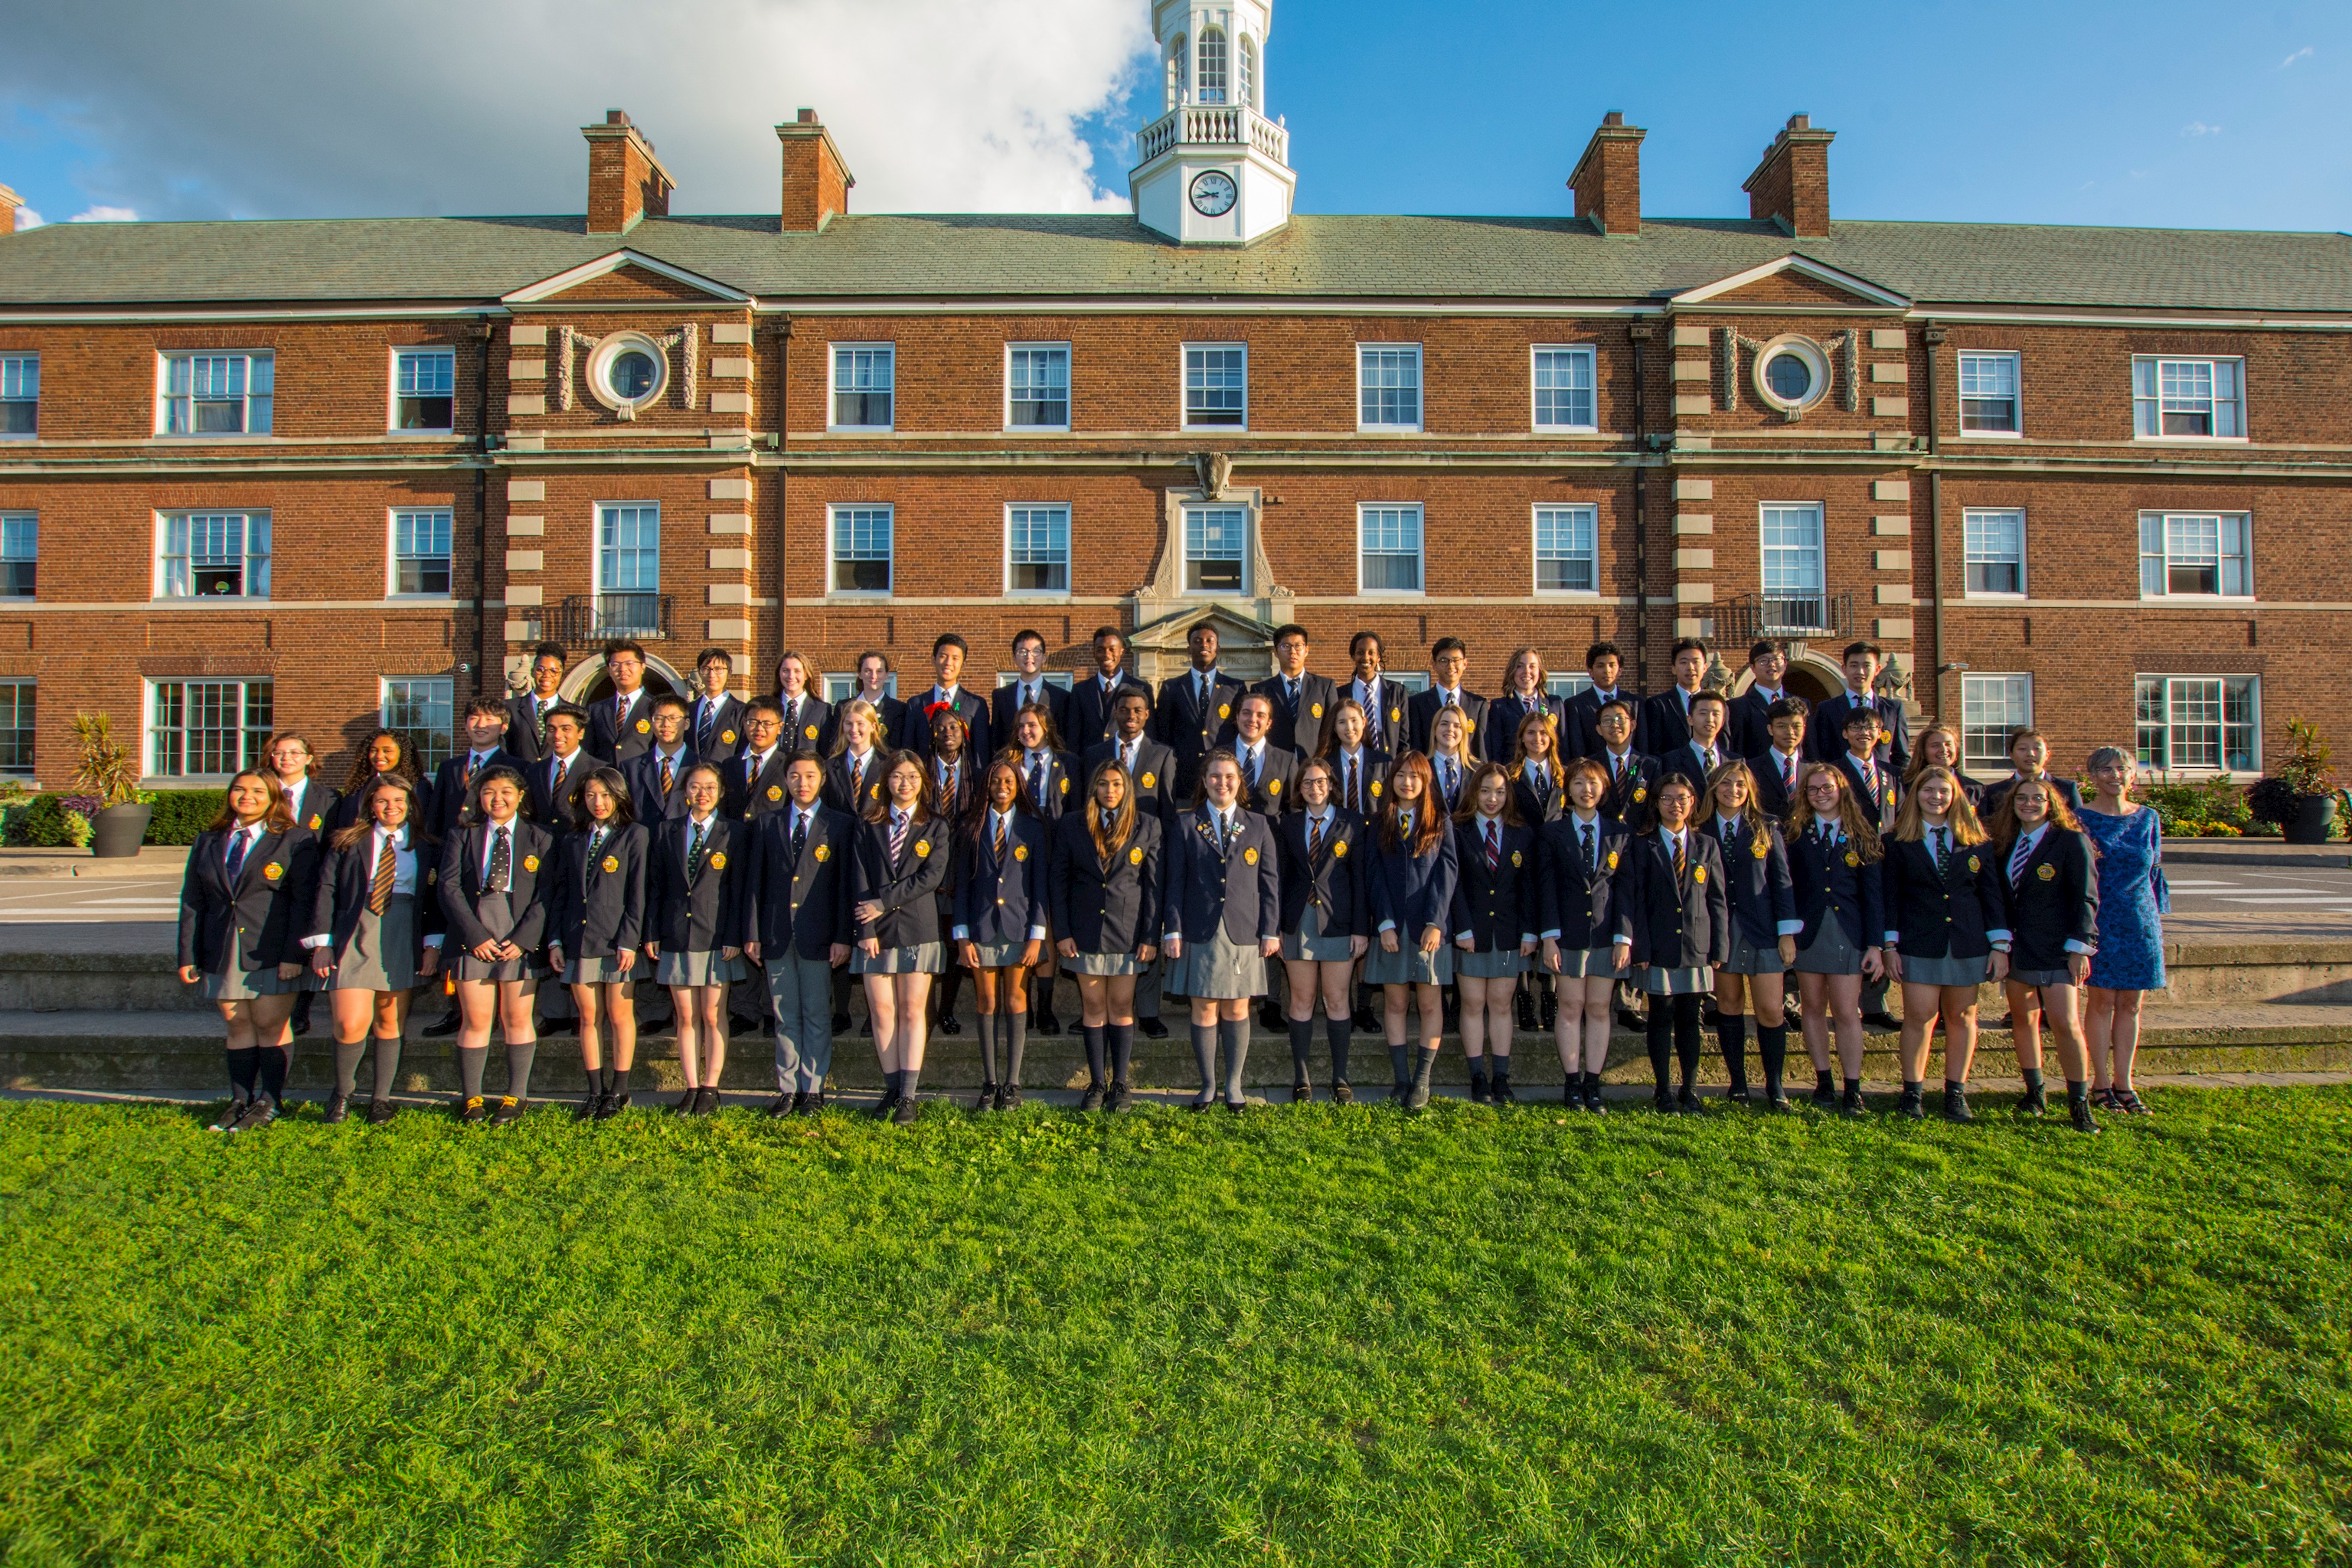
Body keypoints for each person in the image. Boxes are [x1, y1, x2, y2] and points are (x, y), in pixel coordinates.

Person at [181, 771, 315, 1133]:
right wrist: (187, 954)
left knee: (270, 1024)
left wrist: (294, 954)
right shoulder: (209, 841)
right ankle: (239, 1099)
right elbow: (193, 902)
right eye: (240, 789)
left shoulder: (294, 840)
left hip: (270, 950)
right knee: (237, 1024)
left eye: (258, 791)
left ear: (274, 799)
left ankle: (271, 1100)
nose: (247, 796)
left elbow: (304, 902)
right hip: (221, 949)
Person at [305, 774, 442, 1125]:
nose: (391, 807)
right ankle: (343, 1093)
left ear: (411, 806)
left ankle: (381, 1099)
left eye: (399, 801)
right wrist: (322, 944)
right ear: (370, 806)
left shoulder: (427, 845)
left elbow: (434, 902)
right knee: (351, 1023)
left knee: (389, 1020)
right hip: (355, 931)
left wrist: (432, 945)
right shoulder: (347, 842)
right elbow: (326, 891)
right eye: (382, 801)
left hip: (401, 934)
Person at [1883, 765, 2011, 1122]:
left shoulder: (1976, 840)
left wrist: (2000, 945)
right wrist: (1889, 946)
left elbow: (1991, 896)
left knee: (1962, 1016)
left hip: (1966, 941)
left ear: (1955, 795)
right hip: (1918, 940)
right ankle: (1912, 1093)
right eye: (1928, 790)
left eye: (1943, 790)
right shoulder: (1896, 841)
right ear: (1915, 796)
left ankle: (1955, 1092)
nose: (1936, 797)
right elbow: (1889, 898)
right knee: (1920, 1016)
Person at [1161, 750, 1282, 1112]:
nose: (1222, 783)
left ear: (1239, 782)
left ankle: (1234, 1085)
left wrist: (1271, 930)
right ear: (1204, 781)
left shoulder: (1258, 825)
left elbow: (1270, 881)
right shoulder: (1185, 824)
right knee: (1204, 1008)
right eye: (1215, 776)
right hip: (1200, 929)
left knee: (1237, 1008)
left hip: (1243, 929)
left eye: (1229, 776)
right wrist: (1172, 930)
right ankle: (1208, 1085)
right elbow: (1174, 882)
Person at [1988, 775, 2104, 1133]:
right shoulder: (2004, 844)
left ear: (2051, 803)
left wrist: (2079, 948)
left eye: (2037, 798)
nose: (2029, 804)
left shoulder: (2070, 841)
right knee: (2023, 1020)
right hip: (2018, 948)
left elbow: (2086, 897)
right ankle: (2034, 1093)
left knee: (2065, 1024)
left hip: (2058, 949)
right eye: (2021, 798)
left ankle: (2079, 1103)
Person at [437, 763, 551, 1125]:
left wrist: (523, 940)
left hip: (518, 933)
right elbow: (448, 888)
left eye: (505, 792)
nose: (497, 799)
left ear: (520, 796)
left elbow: (548, 893)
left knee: (517, 1017)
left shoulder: (541, 837)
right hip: (474, 932)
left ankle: (515, 1096)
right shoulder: (462, 835)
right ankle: (472, 1098)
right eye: (489, 792)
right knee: (476, 1019)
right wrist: (475, 937)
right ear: (479, 797)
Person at [745, 753, 854, 1118]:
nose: (802, 783)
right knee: (784, 1013)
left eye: (809, 776)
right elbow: (755, 884)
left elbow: (844, 888)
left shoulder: (838, 825)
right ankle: (788, 1088)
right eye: (795, 776)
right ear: (786, 780)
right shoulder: (767, 823)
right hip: (776, 934)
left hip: (819, 935)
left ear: (822, 779)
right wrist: (753, 932)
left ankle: (813, 1088)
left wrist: (843, 936)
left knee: (816, 1012)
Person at [1051, 760, 1163, 1112]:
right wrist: (1063, 932)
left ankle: (1120, 1084)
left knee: (1121, 1006)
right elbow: (1059, 883)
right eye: (1103, 784)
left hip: (1127, 933)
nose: (1110, 790)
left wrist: (1150, 936)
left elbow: (1154, 886)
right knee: (1094, 1007)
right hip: (1084, 932)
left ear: (1127, 788)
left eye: (1116, 784)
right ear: (1093, 788)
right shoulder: (1072, 825)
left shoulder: (1148, 826)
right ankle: (1097, 1083)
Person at [852, 750, 953, 1125]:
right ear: (886, 781)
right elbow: (858, 876)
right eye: (897, 776)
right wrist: (866, 925)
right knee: (882, 1012)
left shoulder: (936, 826)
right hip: (874, 931)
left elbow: (932, 877)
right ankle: (891, 1088)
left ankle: (908, 1096)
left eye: (912, 776)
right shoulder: (867, 823)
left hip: (917, 927)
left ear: (923, 782)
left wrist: (884, 902)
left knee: (912, 1011)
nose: (904, 783)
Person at [1620, 774, 1730, 1113]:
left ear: (1693, 802)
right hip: (1657, 947)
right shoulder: (1643, 845)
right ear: (1656, 803)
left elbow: (1717, 899)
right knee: (1661, 1017)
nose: (1675, 805)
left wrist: (1719, 948)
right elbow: (1634, 899)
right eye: (1667, 798)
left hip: (1696, 946)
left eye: (1682, 798)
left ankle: (1690, 1088)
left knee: (1690, 1019)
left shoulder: (1707, 845)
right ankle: (1663, 1089)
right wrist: (1639, 947)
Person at [544, 766, 648, 1121]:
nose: (598, 802)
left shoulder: (635, 835)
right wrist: (555, 939)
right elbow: (561, 892)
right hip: (579, 939)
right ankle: (594, 1091)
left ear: (619, 796)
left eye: (605, 795)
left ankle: (619, 1091)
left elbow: (638, 894)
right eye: (591, 795)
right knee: (588, 1017)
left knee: (620, 1016)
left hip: (617, 939)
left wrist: (629, 940)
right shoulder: (573, 839)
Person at [1785, 762, 1888, 1117]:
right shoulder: (1796, 834)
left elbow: (1875, 895)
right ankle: (1823, 1080)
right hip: (1809, 933)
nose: (1820, 794)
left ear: (1841, 789)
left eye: (1826, 787)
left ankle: (1853, 1088)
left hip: (1849, 932)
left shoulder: (1863, 834)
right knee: (1812, 1009)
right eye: (1812, 790)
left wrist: (1876, 944)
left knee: (1846, 1011)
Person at [1700, 760, 1800, 1110]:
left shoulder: (1766, 826)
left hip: (1763, 929)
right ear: (1714, 787)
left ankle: (1775, 1085)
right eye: (1726, 784)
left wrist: (1787, 933)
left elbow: (1782, 882)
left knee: (1771, 1010)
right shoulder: (1700, 828)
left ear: (1750, 789)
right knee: (1728, 1005)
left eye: (1740, 785)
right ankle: (1738, 1083)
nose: (1733, 790)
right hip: (1721, 931)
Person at [648, 763, 746, 1116]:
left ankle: (711, 1087)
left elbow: (739, 890)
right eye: (694, 787)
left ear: (721, 792)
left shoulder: (734, 832)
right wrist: (652, 932)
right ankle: (691, 1085)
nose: (702, 794)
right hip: (676, 934)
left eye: (709, 787)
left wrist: (735, 934)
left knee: (712, 1012)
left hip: (717, 936)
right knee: (685, 1015)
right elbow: (656, 887)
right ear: (684, 791)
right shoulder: (666, 832)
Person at [952, 756, 1050, 1111]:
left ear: (1019, 785)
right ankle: (990, 1082)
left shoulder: (1032, 828)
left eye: (1009, 781)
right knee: (987, 1002)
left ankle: (1013, 1083)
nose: (1002, 787)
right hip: (980, 929)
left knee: (1015, 1000)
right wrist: (962, 937)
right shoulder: (970, 826)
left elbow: (1041, 886)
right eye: (996, 781)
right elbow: (961, 885)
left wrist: (1037, 935)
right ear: (986, 786)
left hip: (1019, 928)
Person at [1364, 751, 1459, 1110]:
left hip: (1427, 929)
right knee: (1396, 1001)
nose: (1407, 782)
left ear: (1426, 782)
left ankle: (1422, 1080)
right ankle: (1401, 1080)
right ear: (1392, 780)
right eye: (1401, 775)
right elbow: (1373, 877)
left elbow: (1446, 875)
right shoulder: (1378, 823)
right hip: (1392, 929)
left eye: (1415, 776)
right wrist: (1385, 924)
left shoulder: (1441, 824)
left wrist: (1436, 922)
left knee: (1429, 1002)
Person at [2078, 746, 2167, 1116]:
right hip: (2101, 919)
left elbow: (2156, 870)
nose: (2116, 775)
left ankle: (2125, 1083)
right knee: (2102, 1002)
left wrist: (2157, 919)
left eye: (2123, 769)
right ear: (2094, 776)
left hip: (2140, 920)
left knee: (2132, 1004)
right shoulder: (2081, 818)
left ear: (2134, 775)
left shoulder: (2148, 818)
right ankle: (2100, 1083)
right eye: (2108, 769)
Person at [1537, 758, 1629, 1112]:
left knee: (1599, 1008)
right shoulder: (1552, 833)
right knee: (1571, 1006)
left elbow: (1625, 889)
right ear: (1568, 790)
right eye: (1578, 783)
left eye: (1593, 783)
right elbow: (1545, 886)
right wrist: (1549, 936)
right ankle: (1572, 1081)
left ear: (1603, 789)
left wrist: (1624, 937)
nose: (1586, 790)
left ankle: (1594, 1083)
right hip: (1567, 935)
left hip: (1606, 935)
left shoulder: (1619, 834)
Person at [1276, 756, 1368, 1103]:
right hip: (1298, 922)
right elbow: (1280, 879)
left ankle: (1340, 1078)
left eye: (1320, 781)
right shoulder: (1287, 825)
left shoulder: (1354, 823)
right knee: (1301, 999)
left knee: (1337, 1000)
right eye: (1306, 783)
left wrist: (1361, 929)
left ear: (1330, 784)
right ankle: (1302, 1080)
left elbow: (1360, 879)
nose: (1314, 788)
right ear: (1298, 790)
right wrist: (1276, 928)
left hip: (1339, 922)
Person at [1452, 761, 1536, 1105]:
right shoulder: (1458, 831)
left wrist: (1530, 932)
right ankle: (1478, 1077)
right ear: (1475, 792)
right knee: (1472, 1005)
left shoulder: (1521, 833)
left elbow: (1529, 888)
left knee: (1501, 1006)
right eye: (1485, 791)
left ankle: (1501, 1076)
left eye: (1500, 792)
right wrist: (1462, 927)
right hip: (1472, 932)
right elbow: (1453, 886)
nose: (1492, 798)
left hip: (1508, 932)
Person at [1832, 706, 1903, 1031]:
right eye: (1857, 727)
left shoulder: (1892, 774)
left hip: (1885, 860)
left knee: (1881, 922)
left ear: (1881, 734)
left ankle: (1875, 1003)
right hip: (1845, 859)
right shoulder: (1833, 772)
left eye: (1872, 728)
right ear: (1846, 733)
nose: (1865, 733)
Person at [1011, 701, 1079, 1034]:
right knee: (1019, 921)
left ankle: (1046, 1008)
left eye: (1033, 725)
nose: (1026, 731)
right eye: (1022, 725)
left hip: (1055, 851)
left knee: (1047, 925)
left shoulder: (1068, 763)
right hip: (1014, 854)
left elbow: (1078, 811)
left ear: (1047, 727)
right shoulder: (1007, 763)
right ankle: (1018, 1001)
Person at [264, 731, 338, 1040]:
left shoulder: (329, 799)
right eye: (280, 753)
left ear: (309, 759)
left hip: (314, 879)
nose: (287, 758)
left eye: (295, 753)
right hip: (269, 881)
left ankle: (300, 1009)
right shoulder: (262, 792)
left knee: (308, 939)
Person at [1504, 707, 1568, 1033]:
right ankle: (1525, 1000)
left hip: (1556, 860)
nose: (1538, 738)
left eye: (1543, 733)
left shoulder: (1564, 775)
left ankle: (1550, 999)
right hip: (1522, 857)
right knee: (1524, 926)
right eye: (1531, 733)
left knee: (1551, 925)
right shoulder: (1510, 775)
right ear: (1522, 738)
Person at [924, 707, 980, 1037]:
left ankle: (946, 1011)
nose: (948, 733)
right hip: (927, 866)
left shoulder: (976, 772)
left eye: (954, 728)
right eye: (941, 728)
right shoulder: (923, 771)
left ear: (964, 734)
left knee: (952, 944)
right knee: (929, 946)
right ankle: (926, 1012)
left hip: (961, 869)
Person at [1153, 622, 1244, 799]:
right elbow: (1163, 735)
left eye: (1210, 641)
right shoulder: (1171, 688)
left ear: (1218, 648)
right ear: (1189, 649)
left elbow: (1239, 732)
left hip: (1222, 780)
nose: (1204, 644)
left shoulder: (1235, 688)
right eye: (1197, 641)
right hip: (1183, 780)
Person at [1807, 641, 1910, 772]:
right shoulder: (1827, 709)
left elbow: (1901, 756)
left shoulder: (1892, 709)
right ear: (1844, 669)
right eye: (1854, 665)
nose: (1860, 671)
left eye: (1866, 665)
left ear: (1877, 670)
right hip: (1841, 782)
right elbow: (1822, 753)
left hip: (1881, 784)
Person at [1083, 688, 1177, 827]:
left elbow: (1167, 808)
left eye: (1137, 711)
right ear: (1115, 713)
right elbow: (1089, 799)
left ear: (1147, 714)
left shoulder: (1162, 755)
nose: (1131, 716)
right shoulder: (1095, 754)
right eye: (1124, 710)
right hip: (1103, 833)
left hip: (1145, 835)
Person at [428, 701, 518, 841]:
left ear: (503, 728)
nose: (481, 725)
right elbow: (436, 815)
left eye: (489, 719)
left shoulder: (517, 767)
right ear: (465, 725)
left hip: (492, 843)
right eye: (474, 718)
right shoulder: (449, 767)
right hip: (451, 845)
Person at [900, 632, 991, 760]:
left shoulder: (976, 705)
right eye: (943, 656)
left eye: (955, 658)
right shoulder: (915, 704)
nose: (948, 663)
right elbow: (908, 750)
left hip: (963, 777)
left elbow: (981, 752)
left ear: (963, 664)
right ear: (933, 660)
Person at [1254, 622, 1338, 760]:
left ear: (1307, 650)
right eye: (1286, 646)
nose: (1293, 652)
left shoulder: (1324, 687)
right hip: (1276, 764)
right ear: (1275, 652)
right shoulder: (1262, 690)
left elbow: (1333, 730)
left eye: (1298, 646)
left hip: (1315, 765)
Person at [328, 728, 430, 833]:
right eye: (373, 750)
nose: (379, 756)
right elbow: (346, 823)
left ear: (403, 754)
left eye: (387, 751)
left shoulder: (418, 787)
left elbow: (425, 826)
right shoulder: (359, 787)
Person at [1067, 626, 1151, 752]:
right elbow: (1073, 738)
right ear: (1094, 652)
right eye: (1101, 650)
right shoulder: (1080, 691)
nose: (1107, 655)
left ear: (1121, 651)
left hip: (1129, 763)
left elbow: (1150, 733)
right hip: (1092, 766)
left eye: (1112, 649)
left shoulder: (1142, 688)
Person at [619, 693, 696, 823]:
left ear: (686, 723)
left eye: (674, 718)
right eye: (659, 718)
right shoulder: (631, 768)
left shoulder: (701, 766)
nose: (666, 724)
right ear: (651, 723)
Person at [1407, 636, 1489, 758]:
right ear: (1434, 665)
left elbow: (1480, 749)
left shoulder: (1477, 704)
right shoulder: (1417, 703)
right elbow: (1416, 747)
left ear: (1465, 663)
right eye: (1444, 660)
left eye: (1456, 660)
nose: (1450, 666)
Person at [1980, 728, 2088, 818]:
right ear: (2011, 754)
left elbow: (2079, 825)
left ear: (2047, 755)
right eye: (2022, 749)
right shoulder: (1993, 792)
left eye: (2037, 749)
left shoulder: (2067, 788)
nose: (2030, 754)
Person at [1485, 646, 1563, 766]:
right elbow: (1496, 750)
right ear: (1512, 671)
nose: (1527, 671)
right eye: (1520, 666)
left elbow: (1564, 747)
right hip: (1514, 776)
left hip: (1550, 775)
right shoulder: (1499, 707)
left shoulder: (1555, 704)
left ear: (1540, 671)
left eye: (1532, 666)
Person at [1317, 696, 1390, 822]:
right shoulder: (1324, 765)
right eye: (1342, 722)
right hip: (1337, 834)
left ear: (1364, 722)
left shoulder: (1383, 763)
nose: (1349, 727)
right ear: (1334, 727)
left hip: (1375, 834)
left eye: (1354, 720)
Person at [991, 628, 1070, 743]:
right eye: (1022, 652)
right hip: (1011, 759)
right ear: (1014, 658)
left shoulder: (1061, 697)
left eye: (1035, 651)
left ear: (1044, 657)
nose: (1029, 656)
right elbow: (996, 737)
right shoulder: (1001, 696)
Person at [1638, 638, 1712, 759]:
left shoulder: (1717, 705)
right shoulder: (1658, 705)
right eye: (1684, 662)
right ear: (1673, 668)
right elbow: (1654, 749)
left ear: (1705, 667)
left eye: (1696, 662)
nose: (1690, 667)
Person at [1228, 691, 1298, 817]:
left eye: (1260, 715)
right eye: (1246, 713)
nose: (1252, 719)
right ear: (1237, 717)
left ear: (1269, 724)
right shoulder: (1217, 756)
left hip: (1270, 835)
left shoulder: (1286, 761)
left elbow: (1294, 811)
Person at [586, 639, 657, 762]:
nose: (623, 669)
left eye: (629, 663)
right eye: (615, 665)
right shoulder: (596, 710)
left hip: (640, 778)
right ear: (609, 670)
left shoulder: (656, 706)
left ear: (643, 667)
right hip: (606, 778)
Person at [1591, 698, 1658, 825]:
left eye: (1620, 719)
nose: (1615, 725)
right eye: (1607, 721)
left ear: (1632, 725)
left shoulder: (1651, 765)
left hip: (1640, 838)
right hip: (1604, 839)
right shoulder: (1591, 765)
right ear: (1599, 729)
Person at [526, 704, 595, 828]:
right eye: (551, 729)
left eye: (566, 729)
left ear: (580, 733)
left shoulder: (597, 769)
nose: (557, 735)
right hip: (540, 843)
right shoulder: (534, 771)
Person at [725, 698, 792, 822]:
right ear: (744, 723)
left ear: (780, 728)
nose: (759, 729)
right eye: (753, 722)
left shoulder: (789, 764)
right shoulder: (729, 765)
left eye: (767, 724)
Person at [1344, 631, 1410, 756]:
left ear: (1378, 657)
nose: (1365, 657)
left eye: (1371, 653)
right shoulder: (1341, 694)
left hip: (1389, 759)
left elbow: (1404, 737)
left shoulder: (1397, 692)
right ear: (1353, 656)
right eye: (1360, 652)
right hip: (1354, 757)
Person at [1657, 688, 1733, 793]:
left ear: (1723, 721)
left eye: (1716, 714)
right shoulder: (1670, 761)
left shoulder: (1735, 761)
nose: (1710, 719)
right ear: (1690, 719)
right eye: (1703, 713)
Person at [1564, 641, 1632, 760]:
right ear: (1590, 671)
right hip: (1592, 772)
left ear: (1620, 670)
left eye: (1612, 665)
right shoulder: (1576, 705)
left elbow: (1642, 745)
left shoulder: (1635, 703)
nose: (1607, 670)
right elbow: (1576, 748)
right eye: (1600, 666)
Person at [505, 642, 570, 767]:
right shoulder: (510, 708)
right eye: (541, 669)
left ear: (561, 674)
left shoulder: (572, 712)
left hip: (555, 780)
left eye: (554, 671)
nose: (547, 675)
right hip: (518, 779)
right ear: (532, 671)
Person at [1746, 697, 1811, 820]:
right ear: (1770, 729)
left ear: (1804, 728)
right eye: (1782, 726)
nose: (1790, 732)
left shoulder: (1813, 771)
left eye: (1796, 726)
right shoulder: (1751, 769)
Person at [1726, 639, 1793, 759]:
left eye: (1776, 659)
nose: (1771, 664)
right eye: (1763, 661)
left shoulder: (1801, 704)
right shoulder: (1737, 707)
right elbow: (1736, 749)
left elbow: (1810, 750)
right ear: (1752, 668)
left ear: (1785, 664)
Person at [1905, 723, 1986, 810]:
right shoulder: (1906, 786)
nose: (1943, 750)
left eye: (1948, 744)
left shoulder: (1975, 790)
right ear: (1923, 752)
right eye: (1935, 745)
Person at [689, 645, 749, 763]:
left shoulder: (742, 712)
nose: (712, 675)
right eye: (706, 669)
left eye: (718, 669)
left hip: (724, 777)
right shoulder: (688, 710)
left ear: (729, 672)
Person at [773, 651, 833, 757]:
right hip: (774, 771)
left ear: (806, 675)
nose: (791, 676)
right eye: (785, 670)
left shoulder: (821, 709)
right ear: (779, 674)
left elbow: (825, 751)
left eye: (797, 671)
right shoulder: (769, 706)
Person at [845, 649, 906, 750]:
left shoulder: (899, 710)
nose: (873, 676)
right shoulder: (843, 707)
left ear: (887, 674)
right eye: (868, 671)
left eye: (879, 671)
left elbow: (898, 749)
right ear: (860, 674)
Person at [1425, 704, 1478, 819]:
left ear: (1463, 732)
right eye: (1444, 724)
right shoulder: (1421, 767)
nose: (1450, 729)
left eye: (1457, 726)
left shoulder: (1478, 770)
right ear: (1434, 729)